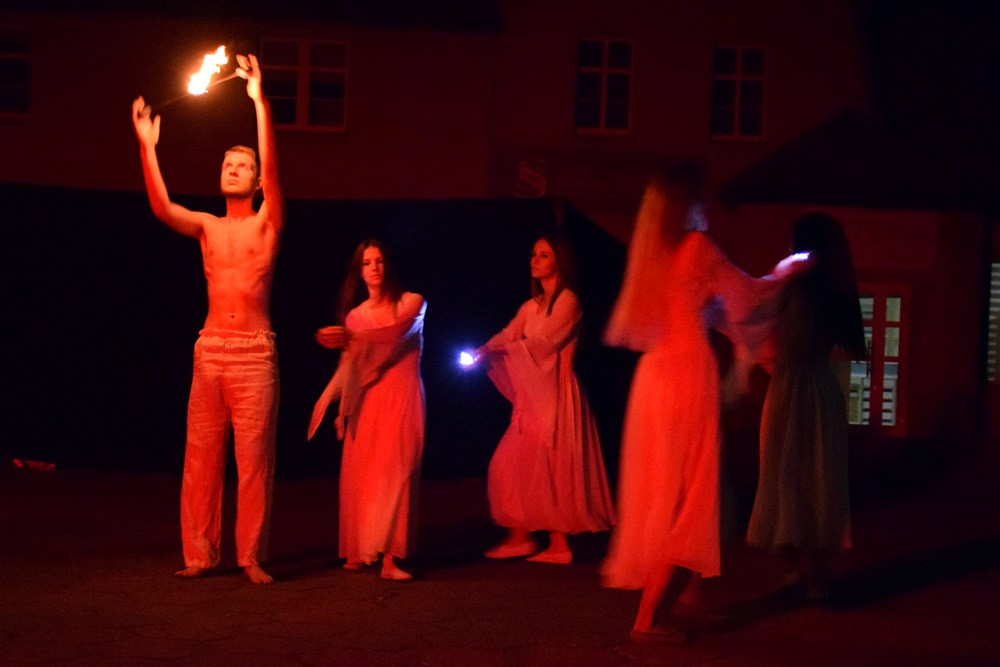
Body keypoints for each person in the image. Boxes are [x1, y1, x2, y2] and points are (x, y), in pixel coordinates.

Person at [600, 167, 805, 640]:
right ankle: (647, 619)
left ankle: (685, 598)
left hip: (653, 378)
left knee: (664, 491)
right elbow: (746, 298)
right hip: (687, 376)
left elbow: (699, 311)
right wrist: (787, 271)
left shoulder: (654, 255)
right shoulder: (697, 247)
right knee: (689, 495)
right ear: (688, 203)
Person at [130, 54, 283, 585]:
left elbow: (275, 167)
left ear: (258, 182)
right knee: (200, 457)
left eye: (241, 165)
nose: (231, 169)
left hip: (254, 353)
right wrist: (147, 147)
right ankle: (200, 554)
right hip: (210, 348)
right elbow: (162, 208)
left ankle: (250, 555)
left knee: (254, 461)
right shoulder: (207, 226)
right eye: (226, 164)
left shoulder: (268, 223)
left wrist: (259, 101)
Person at [746, 212, 866, 601]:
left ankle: (802, 571)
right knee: (817, 478)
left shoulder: (796, 287)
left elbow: (771, 336)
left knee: (786, 477)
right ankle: (813, 574)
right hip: (819, 387)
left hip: (791, 386)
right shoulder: (834, 287)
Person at [476, 232, 615, 564]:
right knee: (508, 464)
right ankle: (520, 537)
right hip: (534, 394)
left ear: (559, 261)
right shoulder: (530, 306)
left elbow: (545, 344)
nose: (535, 261)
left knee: (552, 466)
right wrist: (485, 348)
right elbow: (509, 333)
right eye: (533, 255)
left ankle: (558, 544)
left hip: (557, 394)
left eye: (544, 255)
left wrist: (502, 350)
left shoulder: (569, 302)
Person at [308, 239, 426, 581]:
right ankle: (360, 549)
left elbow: (394, 336)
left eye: (379, 261)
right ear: (359, 272)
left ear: (389, 265)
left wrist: (350, 337)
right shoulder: (356, 317)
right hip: (368, 401)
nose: (374, 268)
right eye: (367, 263)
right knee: (365, 475)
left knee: (397, 472)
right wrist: (336, 404)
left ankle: (390, 558)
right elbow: (350, 367)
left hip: (402, 396)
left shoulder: (412, 303)